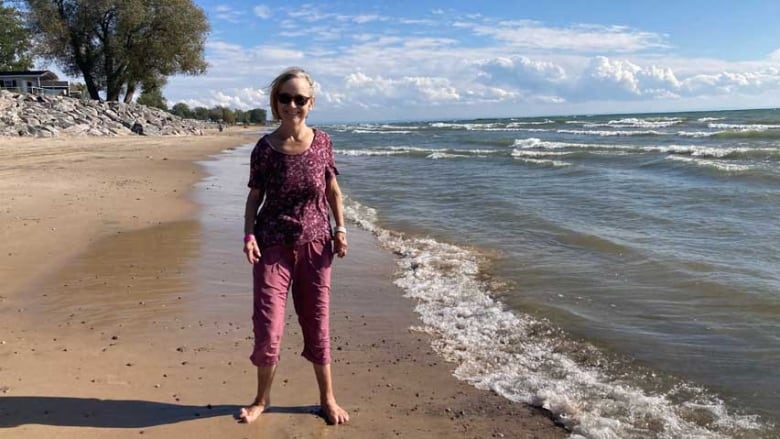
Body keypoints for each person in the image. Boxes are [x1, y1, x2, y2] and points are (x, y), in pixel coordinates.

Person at [239, 67, 350, 425]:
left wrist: (341, 229)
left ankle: (327, 399)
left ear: (310, 103)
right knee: (269, 327)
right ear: (276, 102)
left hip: (317, 246)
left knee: (317, 324)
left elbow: (333, 191)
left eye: (299, 99)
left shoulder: (323, 142)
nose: (292, 105)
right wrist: (249, 235)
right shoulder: (265, 149)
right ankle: (261, 399)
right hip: (272, 246)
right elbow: (254, 198)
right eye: (284, 98)